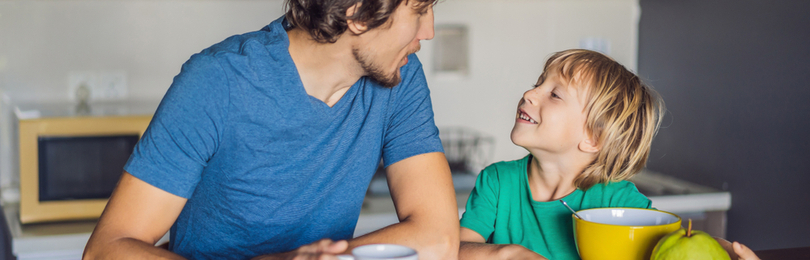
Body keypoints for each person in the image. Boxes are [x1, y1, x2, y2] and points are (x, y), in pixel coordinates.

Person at [82, 0, 460, 259]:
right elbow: (108, 249)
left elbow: (438, 238)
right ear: (359, 14)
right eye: (420, 9)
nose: (427, 31)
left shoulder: (400, 77)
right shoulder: (218, 81)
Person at [456, 49, 760, 260]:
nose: (529, 94)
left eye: (554, 94)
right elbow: (453, 249)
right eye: (539, 83)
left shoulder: (616, 201)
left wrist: (728, 251)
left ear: (593, 138)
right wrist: (506, 253)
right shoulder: (496, 182)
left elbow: (676, 244)